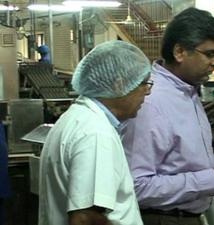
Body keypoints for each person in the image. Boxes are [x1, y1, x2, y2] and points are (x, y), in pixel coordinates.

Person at [121, 7, 214, 225]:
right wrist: (212, 178)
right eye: (209, 54)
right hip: (161, 218)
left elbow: (179, 160)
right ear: (180, 52)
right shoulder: (151, 101)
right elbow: (137, 186)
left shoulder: (187, 93)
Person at [38, 40, 152, 225]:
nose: (147, 91)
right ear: (119, 84)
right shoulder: (96, 133)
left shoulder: (77, 118)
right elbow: (85, 219)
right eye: (144, 83)